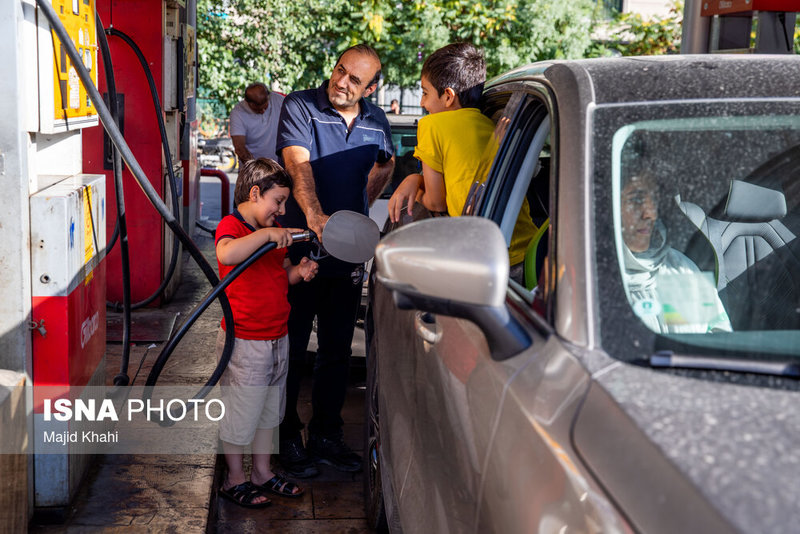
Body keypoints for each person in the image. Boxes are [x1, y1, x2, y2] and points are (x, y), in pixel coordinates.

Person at [275, 44, 395, 477]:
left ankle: (326, 434)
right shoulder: (302, 105)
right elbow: (297, 166)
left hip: (348, 255)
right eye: (340, 71)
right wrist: (316, 216)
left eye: (354, 80)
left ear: (371, 87)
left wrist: (360, 208)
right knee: (288, 347)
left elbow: (387, 161)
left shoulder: (376, 120)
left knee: (337, 349)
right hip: (300, 247)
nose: (341, 83)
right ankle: (285, 435)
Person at [214, 158, 319, 508]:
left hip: (277, 337)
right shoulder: (233, 226)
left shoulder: (274, 232)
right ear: (256, 192)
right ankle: (234, 478)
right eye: (279, 201)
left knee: (268, 412)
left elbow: (282, 273)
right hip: (245, 342)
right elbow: (227, 254)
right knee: (241, 413)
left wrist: (299, 271)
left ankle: (261, 472)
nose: (282, 209)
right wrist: (267, 235)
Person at [387, 42, 536, 270]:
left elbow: (436, 202)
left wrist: (417, 194)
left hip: (492, 259)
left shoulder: (432, 125)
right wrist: (415, 178)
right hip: (529, 250)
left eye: (425, 93)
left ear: (448, 96)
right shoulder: (490, 123)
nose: (422, 103)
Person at [620, 171, 731, 334]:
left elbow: (720, 337)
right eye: (636, 200)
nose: (650, 214)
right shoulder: (589, 280)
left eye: (654, 199)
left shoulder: (681, 269)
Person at [230, 82, 285, 163]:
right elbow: (240, 149)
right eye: (258, 109)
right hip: (253, 169)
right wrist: (255, 169)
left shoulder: (280, 101)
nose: (263, 111)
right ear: (247, 102)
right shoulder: (238, 112)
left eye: (265, 106)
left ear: (268, 97)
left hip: (280, 167)